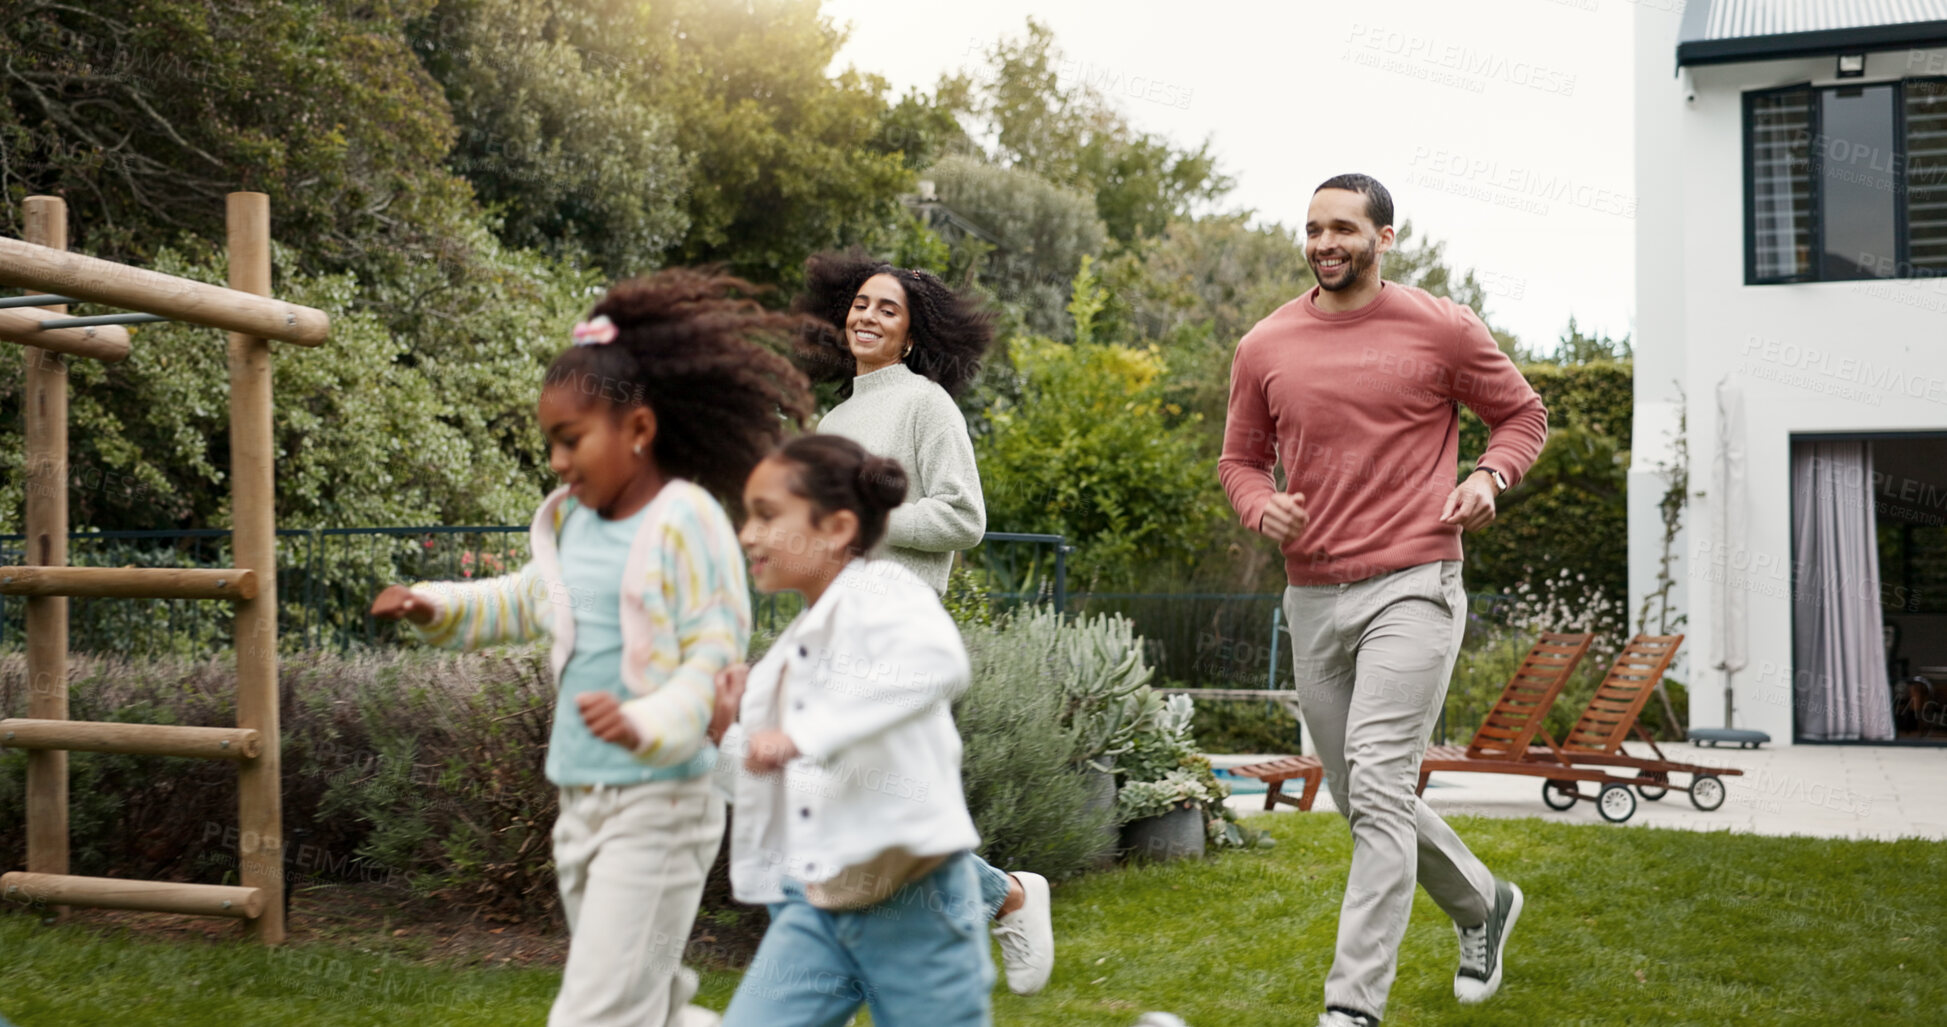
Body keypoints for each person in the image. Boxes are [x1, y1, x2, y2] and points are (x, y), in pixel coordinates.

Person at [370, 270, 813, 1027]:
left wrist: (648, 721)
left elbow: (713, 655)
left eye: (570, 439)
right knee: (650, 1006)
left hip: (663, 800)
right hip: (581, 797)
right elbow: (528, 599)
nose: (557, 462)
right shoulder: (575, 526)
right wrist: (433, 604)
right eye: (551, 442)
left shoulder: (688, 520)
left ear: (638, 430)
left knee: (597, 1013)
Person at [1219, 174, 1549, 1027]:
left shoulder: (1439, 327)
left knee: (1376, 780)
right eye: (1312, 228)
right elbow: (1239, 461)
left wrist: (1488, 474)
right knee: (1362, 793)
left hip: (1413, 581)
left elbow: (1521, 416)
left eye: (1342, 228)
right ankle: (1482, 902)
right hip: (1312, 594)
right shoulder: (1265, 344)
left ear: (1384, 238)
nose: (1324, 243)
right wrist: (1261, 505)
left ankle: (1350, 1007)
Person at [589, 434, 992, 1026]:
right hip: (815, 906)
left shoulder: (881, 591)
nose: (747, 535)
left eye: (766, 515)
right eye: (746, 517)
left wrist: (803, 737)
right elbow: (761, 773)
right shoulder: (787, 654)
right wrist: (719, 735)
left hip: (912, 901)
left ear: (835, 529)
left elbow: (939, 665)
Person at [789, 250, 1055, 995]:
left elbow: (964, 516)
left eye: (886, 309)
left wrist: (870, 522)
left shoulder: (922, 404)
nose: (866, 317)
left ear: (908, 334)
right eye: (860, 304)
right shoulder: (835, 415)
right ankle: (978, 906)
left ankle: (1002, 896)